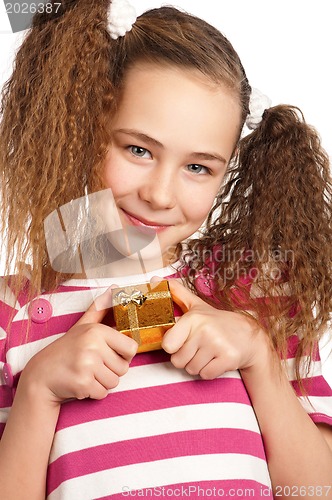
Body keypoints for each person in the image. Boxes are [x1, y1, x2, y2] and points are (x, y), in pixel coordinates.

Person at [0, 1, 331, 498]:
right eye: (138, 150)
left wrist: (258, 358)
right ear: (81, 127)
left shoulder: (256, 296)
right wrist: (38, 390)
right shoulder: (13, 313)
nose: (159, 194)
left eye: (198, 167)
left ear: (227, 172)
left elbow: (315, 489)